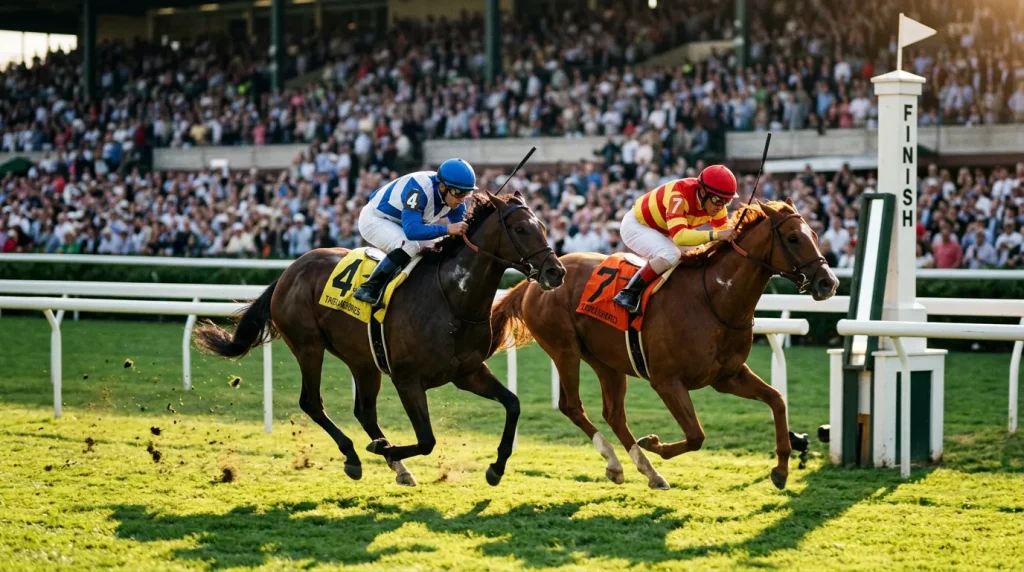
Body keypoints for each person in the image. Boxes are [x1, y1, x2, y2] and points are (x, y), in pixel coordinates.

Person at [612, 164, 738, 313]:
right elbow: (680, 237)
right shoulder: (679, 194)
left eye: (727, 201)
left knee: (701, 255)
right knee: (671, 254)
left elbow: (724, 235)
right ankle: (629, 292)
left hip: (666, 231)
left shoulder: (716, 204)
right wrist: (716, 235)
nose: (721, 206)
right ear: (703, 192)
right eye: (718, 200)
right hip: (637, 226)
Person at [353, 158, 477, 306]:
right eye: (458, 193)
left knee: (437, 249)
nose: (462, 199)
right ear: (443, 187)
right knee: (410, 245)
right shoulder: (418, 188)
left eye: (467, 193)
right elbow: (412, 231)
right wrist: (447, 229)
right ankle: (369, 288)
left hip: (401, 224)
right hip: (375, 219)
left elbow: (464, 231)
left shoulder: (453, 197)